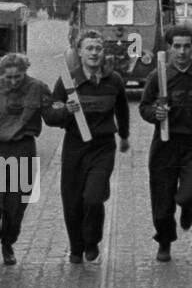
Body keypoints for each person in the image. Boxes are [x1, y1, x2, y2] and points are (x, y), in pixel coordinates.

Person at [44, 31, 131, 264]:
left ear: (104, 52)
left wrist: (124, 135)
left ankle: (91, 241)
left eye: (98, 48)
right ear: (79, 52)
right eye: (89, 48)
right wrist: (65, 111)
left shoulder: (114, 81)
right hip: (75, 147)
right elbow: (50, 116)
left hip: (103, 147)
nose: (94, 53)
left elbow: (122, 110)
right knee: (72, 201)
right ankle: (76, 247)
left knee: (93, 197)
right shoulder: (67, 80)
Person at [139, 24, 192, 262]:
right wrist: (154, 114)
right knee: (162, 197)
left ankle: (187, 205)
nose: (182, 51)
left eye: (187, 46)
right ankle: (165, 241)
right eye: (177, 46)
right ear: (170, 47)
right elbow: (144, 106)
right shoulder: (159, 75)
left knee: (190, 194)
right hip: (165, 143)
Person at [0, 53, 51, 265]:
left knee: (16, 205)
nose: (14, 81)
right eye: (9, 77)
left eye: (19, 76)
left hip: (23, 149)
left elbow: (52, 116)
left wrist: (65, 108)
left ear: (25, 71)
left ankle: (8, 243)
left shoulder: (38, 87)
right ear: (1, 74)